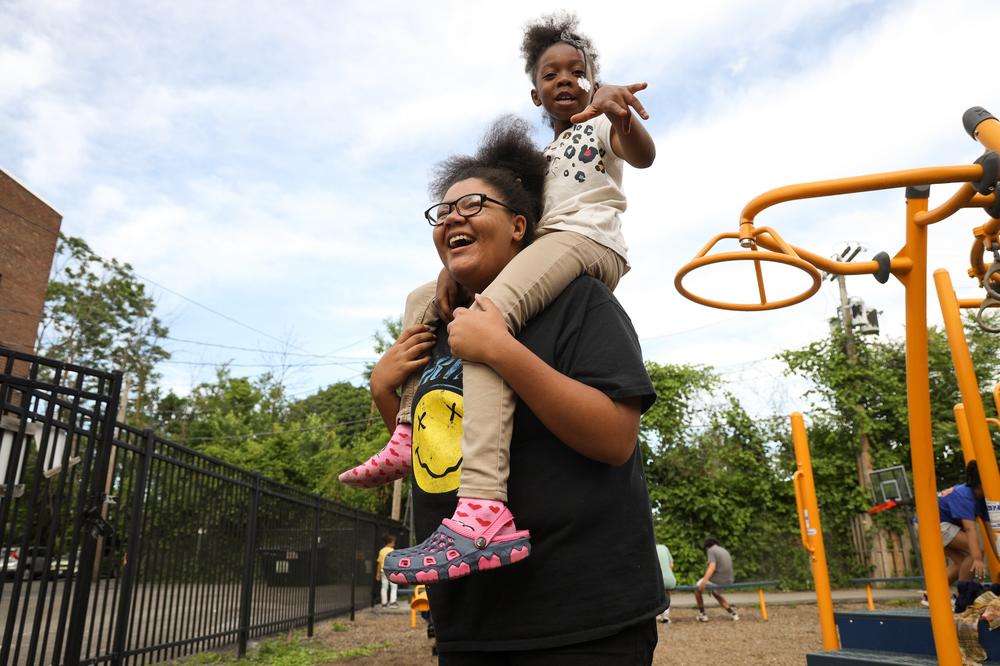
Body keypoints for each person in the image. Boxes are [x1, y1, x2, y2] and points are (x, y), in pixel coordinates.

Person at [339, 11, 656, 580]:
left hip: (588, 242)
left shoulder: (601, 122)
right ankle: (405, 432)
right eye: (551, 74)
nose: (565, 81)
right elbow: (524, 225)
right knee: (428, 298)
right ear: (534, 92)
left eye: (577, 72)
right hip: (469, 621)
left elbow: (643, 155)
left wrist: (619, 111)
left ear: (591, 79)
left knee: (485, 325)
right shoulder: (544, 162)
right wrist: (389, 391)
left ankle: (485, 509)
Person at [368, 116, 664, 660]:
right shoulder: (438, 327)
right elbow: (440, 460)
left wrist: (502, 351)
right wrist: (386, 393)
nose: (454, 216)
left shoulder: (579, 301)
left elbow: (615, 438)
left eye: (474, 205)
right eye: (444, 211)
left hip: (582, 620)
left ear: (521, 227)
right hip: (470, 623)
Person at [936, 460, 1000, 584]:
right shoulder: (964, 496)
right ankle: (964, 595)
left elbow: (991, 532)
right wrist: (977, 558)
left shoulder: (982, 500)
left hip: (942, 524)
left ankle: (931, 595)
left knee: (963, 562)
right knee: (975, 553)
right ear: (983, 483)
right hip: (933, 524)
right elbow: (970, 529)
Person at [694, 538, 739, 622]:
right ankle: (733, 613)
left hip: (718, 580)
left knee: (697, 588)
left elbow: (712, 567)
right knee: (715, 593)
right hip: (729, 579)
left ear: (707, 547)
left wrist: (703, 582)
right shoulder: (723, 550)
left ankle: (702, 614)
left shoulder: (711, 550)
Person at [376, 533, 399, 608]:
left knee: (384, 587)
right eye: (394, 542)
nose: (394, 544)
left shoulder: (381, 551)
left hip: (383, 572)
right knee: (394, 586)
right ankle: (392, 603)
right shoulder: (392, 551)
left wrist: (378, 573)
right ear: (391, 542)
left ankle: (384, 603)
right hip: (392, 571)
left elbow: (379, 563)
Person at [656, 543, 677, 624]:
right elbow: (671, 564)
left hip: (658, 581)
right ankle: (666, 615)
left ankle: (657, 613)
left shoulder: (651, 549)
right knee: (667, 592)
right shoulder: (665, 547)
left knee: (656, 592)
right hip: (670, 579)